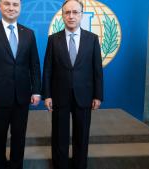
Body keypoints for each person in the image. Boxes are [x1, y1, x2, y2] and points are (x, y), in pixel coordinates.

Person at [0, 0, 41, 168]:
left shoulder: (29, 33)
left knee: (19, 136)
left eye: (15, 4)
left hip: (22, 96)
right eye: (7, 4)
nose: (11, 8)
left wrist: (36, 91)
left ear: (20, 8)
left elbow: (34, 65)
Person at [42, 0, 103, 168]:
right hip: (59, 96)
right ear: (62, 15)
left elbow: (97, 70)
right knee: (59, 136)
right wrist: (46, 94)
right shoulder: (53, 40)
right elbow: (47, 69)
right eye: (67, 12)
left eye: (75, 12)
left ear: (81, 15)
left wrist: (98, 95)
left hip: (84, 96)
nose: (71, 16)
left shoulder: (92, 39)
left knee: (81, 136)